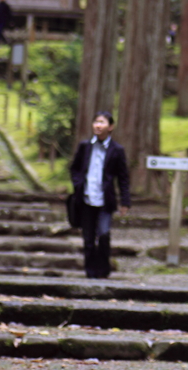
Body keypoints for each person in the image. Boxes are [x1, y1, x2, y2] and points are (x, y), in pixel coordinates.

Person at [70, 111, 130, 278]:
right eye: (96, 121)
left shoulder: (117, 150)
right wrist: (78, 184)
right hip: (86, 198)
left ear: (110, 127)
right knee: (88, 238)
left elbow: (123, 177)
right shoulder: (85, 146)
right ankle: (90, 271)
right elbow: (74, 168)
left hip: (105, 200)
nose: (98, 125)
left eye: (102, 122)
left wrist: (125, 201)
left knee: (103, 234)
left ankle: (103, 270)